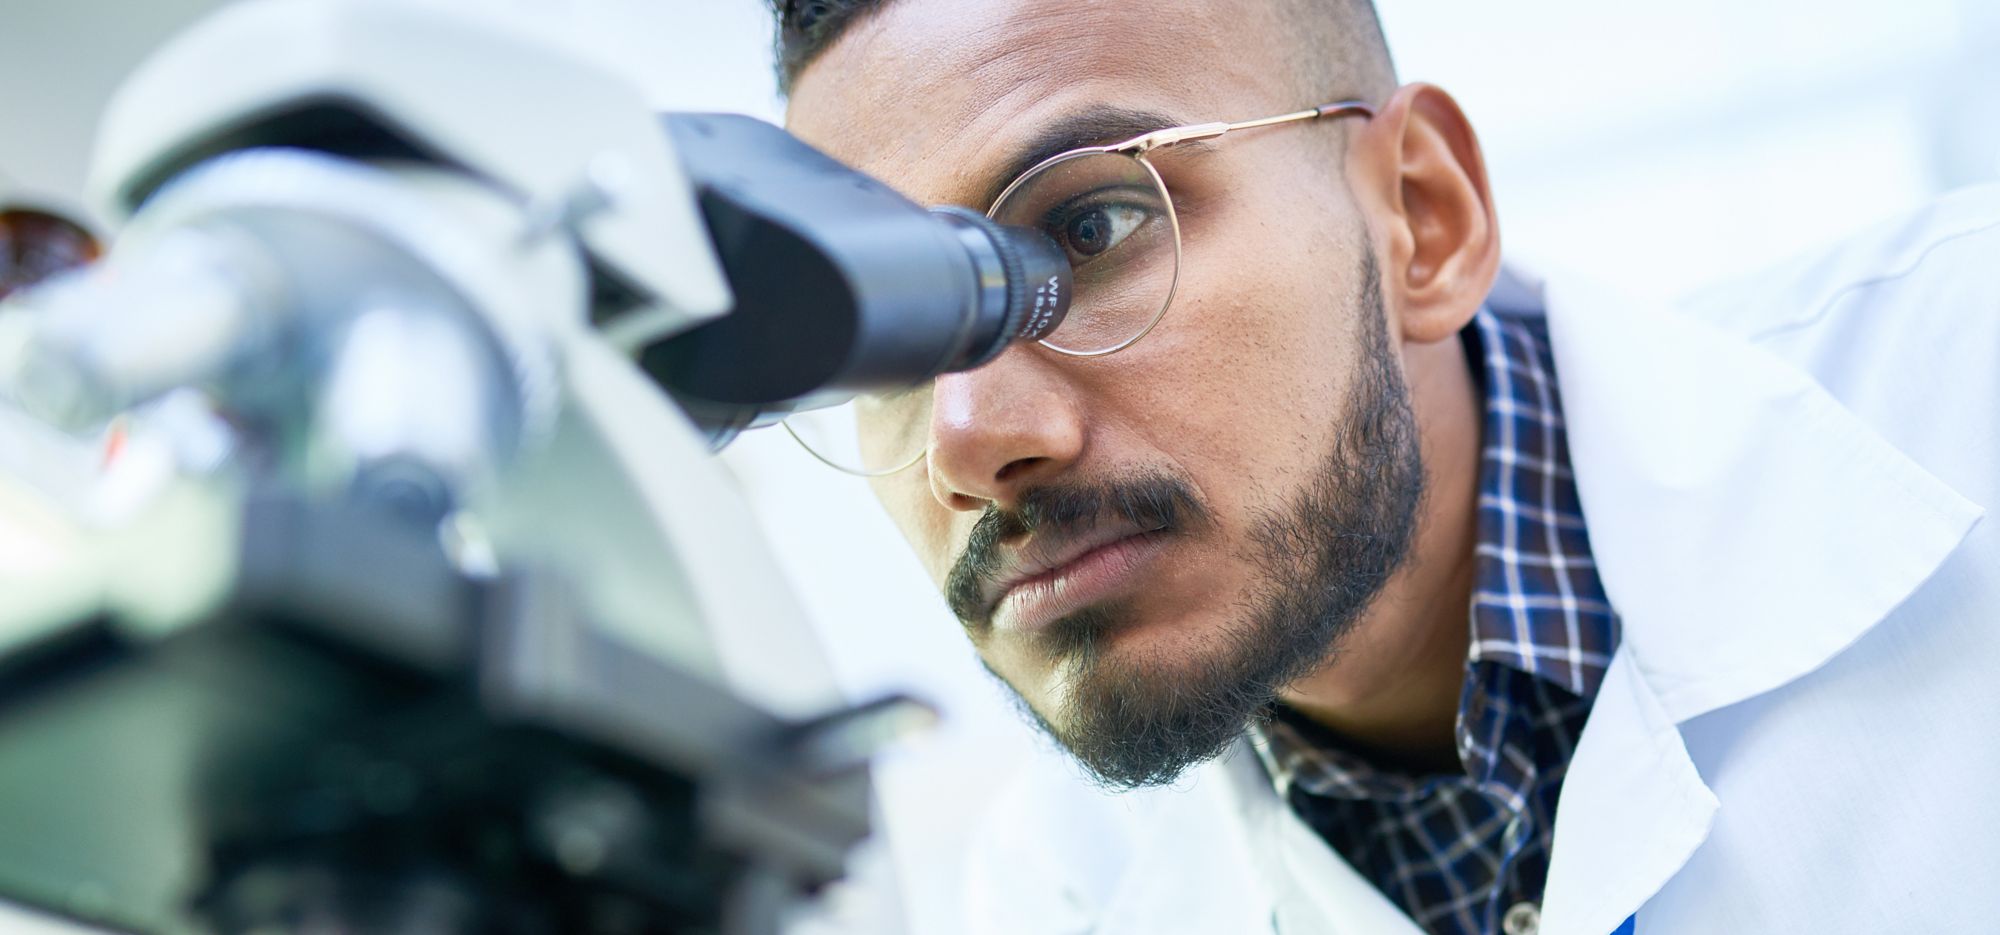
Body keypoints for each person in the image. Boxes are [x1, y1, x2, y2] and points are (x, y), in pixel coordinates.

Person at [767, 1, 2000, 932]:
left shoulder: (1966, 384)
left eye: (1090, 230)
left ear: (1421, 213)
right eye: (884, 338)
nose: (971, 440)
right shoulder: (1050, 900)